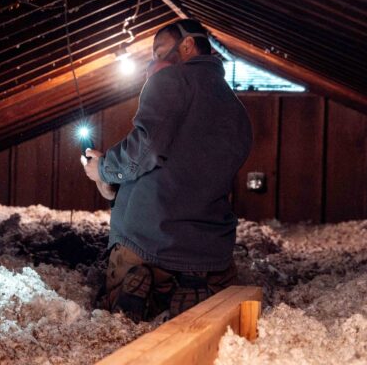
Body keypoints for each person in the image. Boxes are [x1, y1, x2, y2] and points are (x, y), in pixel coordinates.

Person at [82, 19, 253, 322]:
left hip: (148, 237)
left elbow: (144, 147)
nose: (154, 61)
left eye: (158, 52)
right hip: (209, 248)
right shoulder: (235, 106)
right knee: (200, 305)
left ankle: (139, 287)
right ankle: (189, 287)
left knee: (110, 312)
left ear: (187, 45)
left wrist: (103, 169)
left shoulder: (172, 79)